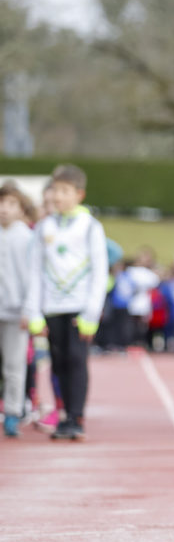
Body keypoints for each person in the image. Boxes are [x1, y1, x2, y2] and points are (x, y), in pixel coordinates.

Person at [23, 164, 110, 441]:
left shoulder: (90, 227)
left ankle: (76, 416)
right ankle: (63, 415)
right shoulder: (44, 227)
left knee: (76, 361)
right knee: (58, 363)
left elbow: (99, 271)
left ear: (79, 194)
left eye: (64, 191)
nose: (58, 196)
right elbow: (34, 270)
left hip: (79, 308)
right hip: (52, 307)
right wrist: (34, 312)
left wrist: (91, 313)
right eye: (55, 190)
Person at [0, 181, 34, 437]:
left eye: (11, 204)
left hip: (15, 313)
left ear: (21, 209)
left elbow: (33, 278)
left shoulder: (27, 238)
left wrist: (28, 310)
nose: (4, 209)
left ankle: (12, 412)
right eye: (1, 203)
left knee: (14, 365)